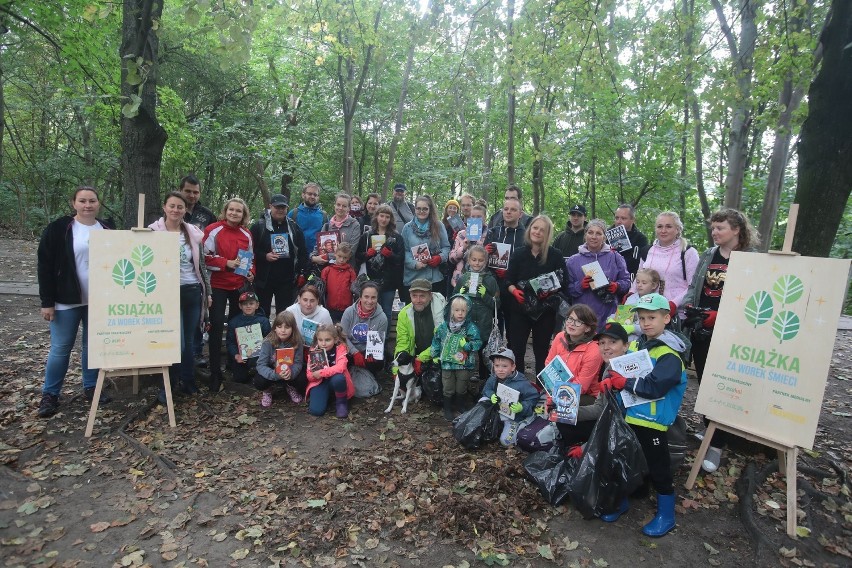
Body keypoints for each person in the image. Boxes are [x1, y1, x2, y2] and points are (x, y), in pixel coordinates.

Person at [589, 293, 689, 537]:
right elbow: (622, 367)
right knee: (627, 458)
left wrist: (624, 383)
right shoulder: (638, 344)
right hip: (630, 416)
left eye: (652, 317)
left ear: (666, 318)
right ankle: (623, 500)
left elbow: (655, 386)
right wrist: (611, 381)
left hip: (653, 422)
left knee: (658, 467)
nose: (646, 323)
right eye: (642, 318)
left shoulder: (669, 355)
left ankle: (667, 515)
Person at [681, 207, 759, 473]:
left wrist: (722, 316)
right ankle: (710, 430)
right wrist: (689, 309)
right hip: (703, 330)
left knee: (725, 386)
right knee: (705, 383)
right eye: (713, 228)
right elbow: (695, 287)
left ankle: (717, 445)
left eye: (721, 228)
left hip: (732, 333)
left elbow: (754, 300)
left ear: (736, 229)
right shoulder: (709, 255)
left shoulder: (751, 260)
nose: (715, 232)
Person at [37, 187, 113, 418]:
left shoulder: (107, 229)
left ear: (98, 203)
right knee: (60, 348)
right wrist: (47, 301)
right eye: (82, 201)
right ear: (74, 203)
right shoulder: (59, 228)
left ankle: (91, 387)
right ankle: (50, 394)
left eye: (92, 201)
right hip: (65, 300)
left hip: (99, 301)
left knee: (93, 346)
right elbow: (45, 265)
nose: (87, 205)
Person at [149, 191, 211, 399]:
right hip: (165, 294)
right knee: (174, 341)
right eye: (172, 206)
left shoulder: (193, 233)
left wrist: (207, 293)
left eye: (180, 207)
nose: (176, 210)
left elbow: (201, 265)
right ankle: (168, 384)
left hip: (192, 291)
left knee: (189, 340)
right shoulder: (152, 233)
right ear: (164, 207)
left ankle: (188, 381)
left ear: (186, 210)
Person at [203, 197, 254, 392]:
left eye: (238, 211)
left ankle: (236, 367)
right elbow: (204, 258)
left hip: (238, 285)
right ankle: (215, 372)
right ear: (225, 211)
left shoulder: (246, 234)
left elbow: (251, 258)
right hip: (217, 285)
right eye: (231, 210)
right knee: (216, 326)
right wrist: (226, 263)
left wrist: (251, 272)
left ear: (244, 215)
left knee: (238, 326)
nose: (234, 213)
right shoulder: (213, 230)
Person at [504, 215, 567, 376]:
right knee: (517, 349)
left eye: (542, 230)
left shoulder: (555, 255)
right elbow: (508, 279)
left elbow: (564, 281)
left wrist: (550, 290)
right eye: (535, 228)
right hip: (519, 309)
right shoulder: (518, 253)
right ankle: (517, 383)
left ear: (547, 234)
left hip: (545, 312)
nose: (537, 232)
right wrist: (514, 291)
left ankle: (541, 387)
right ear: (529, 229)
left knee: (542, 351)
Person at [539, 304, 603, 447]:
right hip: (559, 390)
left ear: (587, 328)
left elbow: (581, 386)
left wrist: (554, 400)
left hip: (586, 396)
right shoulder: (560, 337)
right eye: (570, 319)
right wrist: (550, 398)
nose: (571, 324)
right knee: (548, 405)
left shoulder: (594, 349)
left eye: (578, 321)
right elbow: (549, 365)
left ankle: (565, 438)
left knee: (560, 408)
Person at [250, 194, 309, 318]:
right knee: (261, 313)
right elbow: (250, 251)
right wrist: (265, 256)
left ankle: (283, 337)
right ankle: (264, 336)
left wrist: (301, 273)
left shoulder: (294, 228)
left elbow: (303, 252)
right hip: (263, 280)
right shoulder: (258, 227)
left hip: (286, 281)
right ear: (270, 206)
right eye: (277, 207)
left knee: (284, 315)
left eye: (283, 207)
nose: (280, 210)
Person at [566, 219, 631, 330]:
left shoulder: (615, 257)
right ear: (585, 235)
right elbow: (567, 289)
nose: (594, 237)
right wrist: (580, 286)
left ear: (604, 237)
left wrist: (617, 286)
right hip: (582, 316)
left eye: (598, 233)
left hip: (609, 313)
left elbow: (627, 282)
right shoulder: (573, 261)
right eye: (590, 232)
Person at [179, 175, 216, 362]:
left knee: (200, 314)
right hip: (177, 273)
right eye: (188, 191)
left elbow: (214, 239)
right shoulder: (175, 210)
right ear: (180, 190)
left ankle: (197, 351)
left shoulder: (206, 214)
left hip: (201, 270)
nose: (192, 195)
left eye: (195, 192)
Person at [430, 295, 483, 420]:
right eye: (457, 310)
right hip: (447, 363)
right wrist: (435, 355)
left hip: (463, 363)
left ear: (468, 311)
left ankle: (460, 404)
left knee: (461, 385)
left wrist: (468, 345)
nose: (460, 313)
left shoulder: (471, 328)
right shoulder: (444, 327)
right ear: (451, 310)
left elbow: (478, 342)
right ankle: (447, 407)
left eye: (463, 310)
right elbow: (436, 341)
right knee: (448, 386)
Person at [634, 211, 699, 313]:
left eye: (668, 226)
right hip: (646, 309)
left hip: (676, 313)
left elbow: (694, 286)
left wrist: (673, 304)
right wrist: (630, 294)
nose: (663, 230)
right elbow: (638, 279)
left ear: (677, 229)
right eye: (660, 226)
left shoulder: (688, 252)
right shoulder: (647, 251)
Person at [453, 244, 499, 383]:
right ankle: (463, 382)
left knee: (483, 353)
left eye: (480, 260)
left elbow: (497, 304)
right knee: (465, 351)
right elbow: (453, 302)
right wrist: (459, 295)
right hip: (467, 322)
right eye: (474, 259)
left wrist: (485, 296)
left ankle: (484, 382)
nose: (477, 263)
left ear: (485, 261)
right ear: (468, 260)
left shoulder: (490, 280)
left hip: (484, 324)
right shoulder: (463, 278)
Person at [486, 198, 528, 339]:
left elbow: (527, 263)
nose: (508, 212)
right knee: (492, 322)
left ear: (520, 214)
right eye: (506, 209)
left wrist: (508, 271)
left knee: (513, 327)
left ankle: (512, 355)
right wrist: (484, 251)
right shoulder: (493, 232)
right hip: (492, 285)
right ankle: (491, 355)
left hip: (513, 288)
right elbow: (478, 258)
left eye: (513, 209)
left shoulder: (526, 236)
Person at [480, 348, 540, 446]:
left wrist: (522, 407)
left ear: (513, 367)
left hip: (513, 417)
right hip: (496, 411)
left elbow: (533, 398)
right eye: (497, 366)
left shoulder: (522, 383)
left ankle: (516, 427)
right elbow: (486, 389)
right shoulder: (493, 378)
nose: (500, 370)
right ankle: (493, 426)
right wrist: (491, 395)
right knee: (482, 400)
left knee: (506, 442)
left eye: (504, 366)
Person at [355, 203, 405, 318]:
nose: (384, 219)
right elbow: (358, 256)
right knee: (371, 310)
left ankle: (385, 337)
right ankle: (372, 335)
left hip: (389, 282)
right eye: (382, 216)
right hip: (371, 280)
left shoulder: (397, 237)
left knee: (387, 311)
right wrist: (367, 254)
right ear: (377, 216)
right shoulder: (367, 236)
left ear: (391, 219)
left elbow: (400, 259)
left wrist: (390, 255)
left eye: (387, 217)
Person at [393, 279, 446, 378]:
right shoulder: (404, 314)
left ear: (430, 296)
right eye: (414, 296)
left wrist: (421, 358)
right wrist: (397, 370)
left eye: (422, 296)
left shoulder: (443, 311)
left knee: (434, 385)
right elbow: (402, 343)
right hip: (417, 356)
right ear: (410, 296)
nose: (418, 300)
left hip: (440, 355)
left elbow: (442, 341)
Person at [254, 310, 306, 407]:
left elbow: (298, 362)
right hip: (273, 371)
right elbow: (261, 365)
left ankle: (290, 386)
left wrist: (291, 373)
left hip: (289, 371)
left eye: (287, 327)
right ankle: (267, 391)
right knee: (259, 381)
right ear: (275, 328)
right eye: (279, 327)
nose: (283, 330)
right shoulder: (267, 342)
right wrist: (275, 374)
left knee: (302, 378)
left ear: (293, 329)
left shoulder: (297, 341)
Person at [401, 195, 450, 295]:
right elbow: (404, 251)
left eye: (425, 209)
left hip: (434, 278)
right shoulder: (407, 228)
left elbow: (446, 247)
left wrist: (440, 258)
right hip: (413, 277)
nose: (421, 211)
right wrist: (414, 264)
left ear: (430, 210)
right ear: (415, 209)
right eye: (418, 208)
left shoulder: (438, 225)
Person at [341, 282, 388, 381]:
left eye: (373, 297)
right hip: (349, 349)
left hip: (367, 350)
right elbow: (342, 336)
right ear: (360, 297)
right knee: (341, 358)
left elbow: (378, 342)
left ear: (377, 298)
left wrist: (370, 353)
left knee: (377, 362)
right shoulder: (349, 312)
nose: (369, 301)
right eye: (366, 297)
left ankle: (369, 374)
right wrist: (354, 352)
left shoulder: (382, 318)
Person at [306, 323, 354, 418]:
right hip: (319, 382)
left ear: (335, 339)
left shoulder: (340, 348)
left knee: (339, 378)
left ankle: (341, 402)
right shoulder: (314, 351)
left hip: (335, 380)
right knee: (316, 411)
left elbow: (341, 367)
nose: (323, 343)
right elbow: (309, 375)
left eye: (327, 340)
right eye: (320, 340)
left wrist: (321, 373)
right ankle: (327, 397)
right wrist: (313, 375)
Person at [226, 292, 272, 385]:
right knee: (240, 378)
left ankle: (257, 372)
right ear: (240, 306)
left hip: (260, 357)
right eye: (245, 304)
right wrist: (236, 355)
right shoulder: (233, 322)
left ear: (257, 305)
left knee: (261, 375)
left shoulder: (264, 321)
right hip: (242, 357)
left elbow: (269, 340)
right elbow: (230, 343)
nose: (248, 306)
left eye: (251, 303)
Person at [311, 192, 362, 270]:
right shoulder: (327, 226)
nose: (340, 208)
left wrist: (327, 256)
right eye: (338, 205)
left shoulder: (354, 225)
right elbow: (317, 248)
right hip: (327, 271)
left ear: (349, 208)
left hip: (346, 272)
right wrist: (313, 258)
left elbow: (351, 251)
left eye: (344, 206)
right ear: (334, 205)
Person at [450, 203, 489, 288]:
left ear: (485, 218)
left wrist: (481, 247)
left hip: (482, 281)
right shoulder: (462, 234)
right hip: (461, 280)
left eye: (479, 217)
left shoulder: (490, 234)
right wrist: (463, 248)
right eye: (473, 217)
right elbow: (452, 259)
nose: (475, 219)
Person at [321, 241, 357, 322]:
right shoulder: (327, 270)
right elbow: (322, 291)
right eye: (339, 256)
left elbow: (354, 290)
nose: (341, 260)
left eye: (345, 257)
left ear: (349, 257)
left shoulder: (351, 272)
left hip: (346, 309)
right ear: (335, 253)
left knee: (344, 332)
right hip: (330, 308)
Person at [613, 204, 649, 280]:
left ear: (633, 220)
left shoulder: (641, 239)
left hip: (631, 281)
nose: (619, 221)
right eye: (617, 218)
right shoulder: (606, 236)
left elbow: (642, 264)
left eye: (623, 218)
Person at [289, 182, 328, 249]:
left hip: (318, 256)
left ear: (318, 197)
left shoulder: (323, 216)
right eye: (309, 194)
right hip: (298, 256)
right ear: (303, 195)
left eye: (315, 195)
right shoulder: (293, 214)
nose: (312, 197)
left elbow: (328, 237)